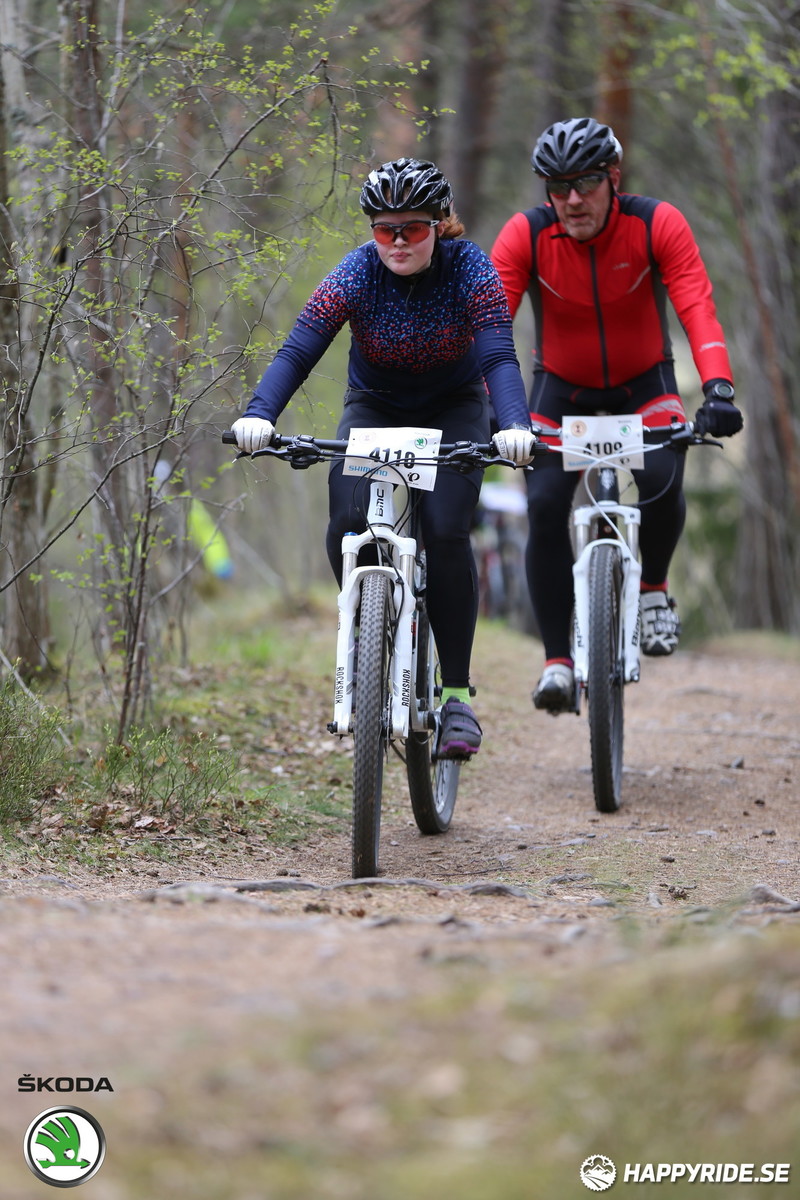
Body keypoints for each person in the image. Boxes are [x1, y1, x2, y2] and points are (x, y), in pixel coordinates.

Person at [230, 157, 535, 756]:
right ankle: (371, 631)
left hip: (453, 408)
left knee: (447, 529)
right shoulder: (356, 272)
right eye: (383, 228)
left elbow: (498, 353)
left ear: (440, 224)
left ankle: (457, 699)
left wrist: (516, 426)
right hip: (375, 407)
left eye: (413, 229)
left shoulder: (469, 267)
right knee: (346, 520)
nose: (397, 241)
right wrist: (260, 412)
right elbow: (300, 348)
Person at [490, 117, 743, 714]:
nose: (572, 200)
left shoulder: (656, 223)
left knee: (659, 478)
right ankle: (557, 662)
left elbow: (696, 304)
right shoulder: (526, 235)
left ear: (613, 178)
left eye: (585, 183)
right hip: (559, 390)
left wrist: (719, 389)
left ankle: (653, 588)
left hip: (642, 384)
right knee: (546, 506)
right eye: (557, 187)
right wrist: (491, 410)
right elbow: (490, 330)